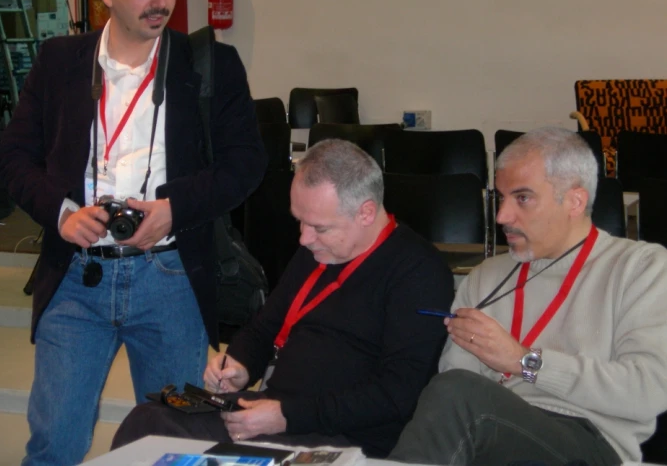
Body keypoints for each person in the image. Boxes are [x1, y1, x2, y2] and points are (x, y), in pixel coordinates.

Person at [0, 0, 266, 464]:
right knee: (54, 441)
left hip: (170, 279)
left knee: (175, 445)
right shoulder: (58, 63)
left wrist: (173, 210)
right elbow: (13, 158)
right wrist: (62, 214)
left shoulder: (208, 63)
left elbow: (247, 164)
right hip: (76, 276)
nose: (160, 0)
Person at [111, 139, 455, 458]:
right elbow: (264, 328)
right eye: (299, 222)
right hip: (274, 413)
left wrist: (287, 416)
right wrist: (240, 365)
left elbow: (397, 394)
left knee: (165, 439)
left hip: (342, 435)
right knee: (149, 421)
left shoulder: (418, 272)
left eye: (318, 227)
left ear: (365, 213)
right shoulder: (319, 251)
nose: (304, 239)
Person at [390, 127, 667, 466]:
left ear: (575, 201)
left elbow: (648, 391)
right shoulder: (486, 276)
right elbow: (455, 381)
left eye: (522, 198)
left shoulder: (641, 267)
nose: (502, 216)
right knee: (452, 393)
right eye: (501, 198)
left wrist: (525, 362)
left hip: (590, 443)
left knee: (457, 395)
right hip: (490, 434)